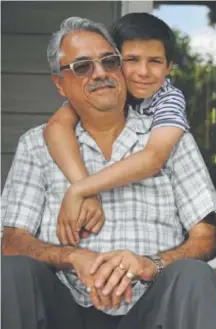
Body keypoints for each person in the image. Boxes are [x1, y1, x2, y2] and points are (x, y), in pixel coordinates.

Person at [1, 16, 216, 329]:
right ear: (59, 83)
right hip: (64, 306)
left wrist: (151, 263)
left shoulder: (170, 136)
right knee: (8, 273)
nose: (100, 73)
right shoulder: (37, 144)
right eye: (82, 67)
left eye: (110, 61)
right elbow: (12, 241)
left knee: (194, 275)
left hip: (149, 308)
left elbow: (205, 238)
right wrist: (73, 256)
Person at [43, 13, 189, 245]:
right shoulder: (103, 91)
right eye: (132, 60)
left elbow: (153, 157)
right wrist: (86, 190)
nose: (143, 72)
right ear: (117, 61)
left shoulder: (168, 98)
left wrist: (77, 190)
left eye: (155, 61)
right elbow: (56, 127)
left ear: (169, 67)